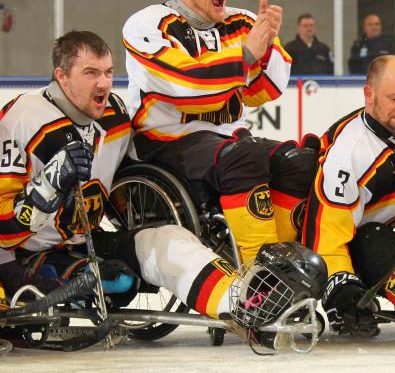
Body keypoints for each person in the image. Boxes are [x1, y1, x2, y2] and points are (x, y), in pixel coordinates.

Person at [0, 31, 326, 344]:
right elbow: (3, 232)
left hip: (84, 242)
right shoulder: (23, 117)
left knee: (169, 238)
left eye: (108, 72)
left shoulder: (114, 114)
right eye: (90, 72)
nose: (103, 83)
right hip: (23, 255)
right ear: (62, 75)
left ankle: (243, 304)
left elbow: (131, 178)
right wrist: (46, 190)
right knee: (117, 280)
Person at [123, 0, 316, 263]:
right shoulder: (148, 24)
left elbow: (263, 91)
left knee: (299, 160)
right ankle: (260, 271)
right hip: (166, 142)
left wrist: (266, 47)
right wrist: (245, 55)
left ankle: (283, 261)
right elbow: (187, 84)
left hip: (225, 142)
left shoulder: (241, 22)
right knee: (244, 154)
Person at [303, 55, 395, 337]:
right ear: (368, 94)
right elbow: (326, 239)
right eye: (394, 98)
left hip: (389, 241)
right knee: (373, 235)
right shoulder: (348, 154)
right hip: (357, 247)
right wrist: (343, 294)